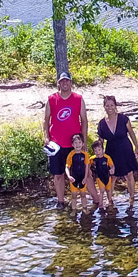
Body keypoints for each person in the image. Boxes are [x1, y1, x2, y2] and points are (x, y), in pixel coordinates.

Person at [43, 71, 89, 206]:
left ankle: (90, 199)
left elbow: (84, 120)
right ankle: (61, 201)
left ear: (70, 82)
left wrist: (84, 140)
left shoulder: (78, 98)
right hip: (56, 144)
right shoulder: (51, 99)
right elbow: (46, 120)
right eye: (62, 81)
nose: (64, 83)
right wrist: (46, 137)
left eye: (67, 81)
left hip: (74, 144)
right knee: (58, 174)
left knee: (80, 172)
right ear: (58, 83)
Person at [97, 94, 138, 208]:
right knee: (112, 176)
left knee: (129, 174)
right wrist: (98, 153)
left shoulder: (123, 118)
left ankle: (132, 198)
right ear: (104, 107)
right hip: (111, 151)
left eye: (112, 105)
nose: (110, 108)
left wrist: (136, 147)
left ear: (115, 106)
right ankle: (109, 199)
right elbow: (100, 140)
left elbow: (131, 133)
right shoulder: (102, 123)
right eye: (107, 106)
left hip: (125, 149)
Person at [64, 134, 92, 212]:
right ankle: (74, 210)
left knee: (83, 194)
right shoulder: (71, 155)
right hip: (73, 178)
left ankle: (85, 208)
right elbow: (67, 167)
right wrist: (69, 176)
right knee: (74, 195)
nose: (77, 145)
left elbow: (86, 166)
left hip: (82, 177)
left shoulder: (85, 154)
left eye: (79, 142)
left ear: (83, 144)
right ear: (72, 145)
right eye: (75, 143)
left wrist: (85, 177)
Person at [90, 139, 115, 209]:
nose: (97, 152)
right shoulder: (93, 159)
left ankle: (109, 200)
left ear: (102, 149)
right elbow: (87, 164)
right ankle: (100, 204)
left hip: (107, 176)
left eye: (99, 150)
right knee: (102, 190)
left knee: (109, 190)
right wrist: (88, 170)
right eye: (95, 151)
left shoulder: (107, 158)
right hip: (99, 177)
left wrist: (112, 169)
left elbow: (112, 165)